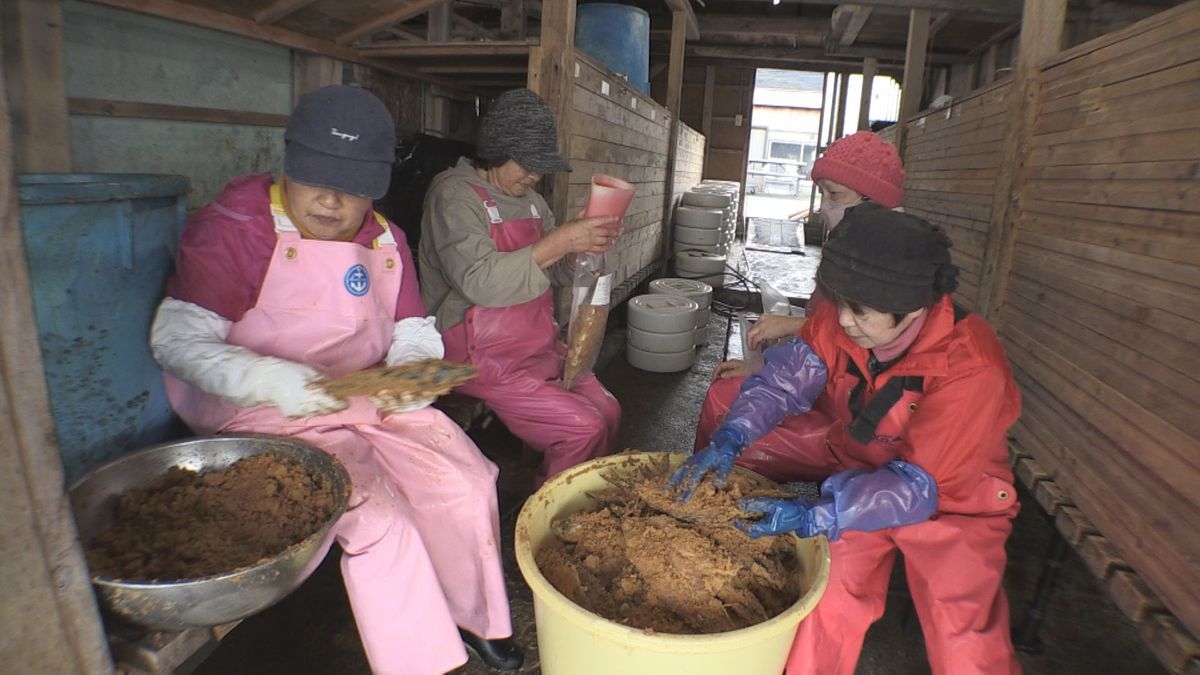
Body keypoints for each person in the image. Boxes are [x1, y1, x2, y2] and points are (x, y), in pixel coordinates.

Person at [149, 85, 522, 674]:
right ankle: (420, 660)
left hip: (364, 396)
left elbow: (412, 326)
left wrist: (410, 372)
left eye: (353, 188)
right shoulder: (239, 226)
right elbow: (177, 341)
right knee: (381, 519)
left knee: (467, 481)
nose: (330, 200)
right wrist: (272, 379)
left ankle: (475, 617)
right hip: (265, 410)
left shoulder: (385, 241)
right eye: (317, 178)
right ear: (290, 162)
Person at [671, 203, 1023, 675]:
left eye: (860, 311)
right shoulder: (841, 320)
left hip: (954, 502)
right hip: (863, 478)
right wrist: (733, 435)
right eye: (838, 303)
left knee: (963, 637)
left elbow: (920, 486)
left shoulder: (972, 365)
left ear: (914, 308)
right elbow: (782, 383)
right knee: (824, 603)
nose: (845, 320)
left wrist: (817, 513)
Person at [419, 88, 623, 487]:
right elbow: (480, 281)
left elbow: (557, 272)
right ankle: (548, 515)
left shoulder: (531, 202)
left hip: (535, 345)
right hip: (475, 355)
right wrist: (562, 239)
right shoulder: (454, 194)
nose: (535, 176)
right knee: (582, 427)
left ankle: (583, 501)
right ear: (496, 150)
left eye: (540, 167)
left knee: (608, 412)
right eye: (526, 164)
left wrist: (584, 245)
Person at [696, 131, 906, 466]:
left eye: (834, 195)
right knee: (727, 401)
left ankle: (717, 495)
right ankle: (703, 488)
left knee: (731, 421)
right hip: (827, 390)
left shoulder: (894, 269)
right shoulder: (848, 251)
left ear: (875, 203)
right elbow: (821, 346)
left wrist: (796, 327)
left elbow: (850, 344)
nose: (823, 207)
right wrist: (764, 366)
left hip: (857, 421)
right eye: (822, 194)